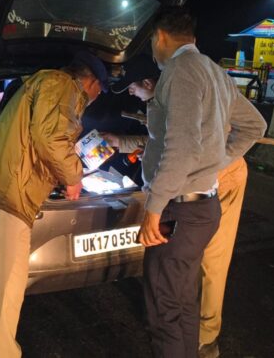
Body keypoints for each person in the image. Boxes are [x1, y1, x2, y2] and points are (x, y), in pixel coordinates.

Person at [0, 51, 109, 358]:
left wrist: (61, 174)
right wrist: (74, 176)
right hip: (0, 196)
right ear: (91, 82)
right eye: (99, 90)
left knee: (9, 292)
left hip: (15, 201)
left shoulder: (52, 86)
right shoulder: (60, 83)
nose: (97, 98)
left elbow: (42, 140)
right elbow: (49, 137)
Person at [137, 8, 266, 358]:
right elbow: (255, 126)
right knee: (183, 302)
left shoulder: (179, 70)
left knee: (164, 309)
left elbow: (181, 146)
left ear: (160, 37)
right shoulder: (214, 71)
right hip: (203, 207)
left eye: (151, 41)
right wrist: (217, 160)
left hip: (180, 209)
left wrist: (153, 209)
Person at [106, 60, 256, 358]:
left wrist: (155, 206)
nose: (131, 94)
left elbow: (183, 150)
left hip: (217, 181)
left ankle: (206, 338)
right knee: (185, 277)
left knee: (209, 263)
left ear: (149, 83)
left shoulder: (181, 90)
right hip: (198, 186)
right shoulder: (167, 96)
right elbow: (162, 143)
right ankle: (191, 337)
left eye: (133, 87)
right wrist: (121, 142)